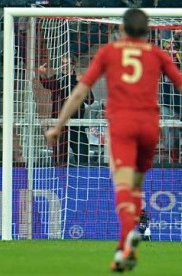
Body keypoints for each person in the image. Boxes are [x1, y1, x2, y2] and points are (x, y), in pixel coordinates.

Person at [45, 8, 182, 272]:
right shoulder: (158, 54)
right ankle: (139, 228)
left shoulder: (110, 53)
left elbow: (80, 91)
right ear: (147, 32)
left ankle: (124, 248)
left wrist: (58, 125)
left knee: (121, 183)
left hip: (122, 124)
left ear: (121, 30)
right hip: (150, 126)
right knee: (136, 186)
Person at [39, 54, 95, 165]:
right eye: (62, 64)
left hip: (76, 124)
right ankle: (59, 178)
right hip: (60, 125)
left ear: (73, 65)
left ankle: (82, 179)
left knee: (82, 156)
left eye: (67, 63)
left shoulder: (79, 79)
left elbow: (90, 100)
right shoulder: (57, 79)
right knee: (59, 160)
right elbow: (46, 84)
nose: (64, 66)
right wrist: (42, 74)